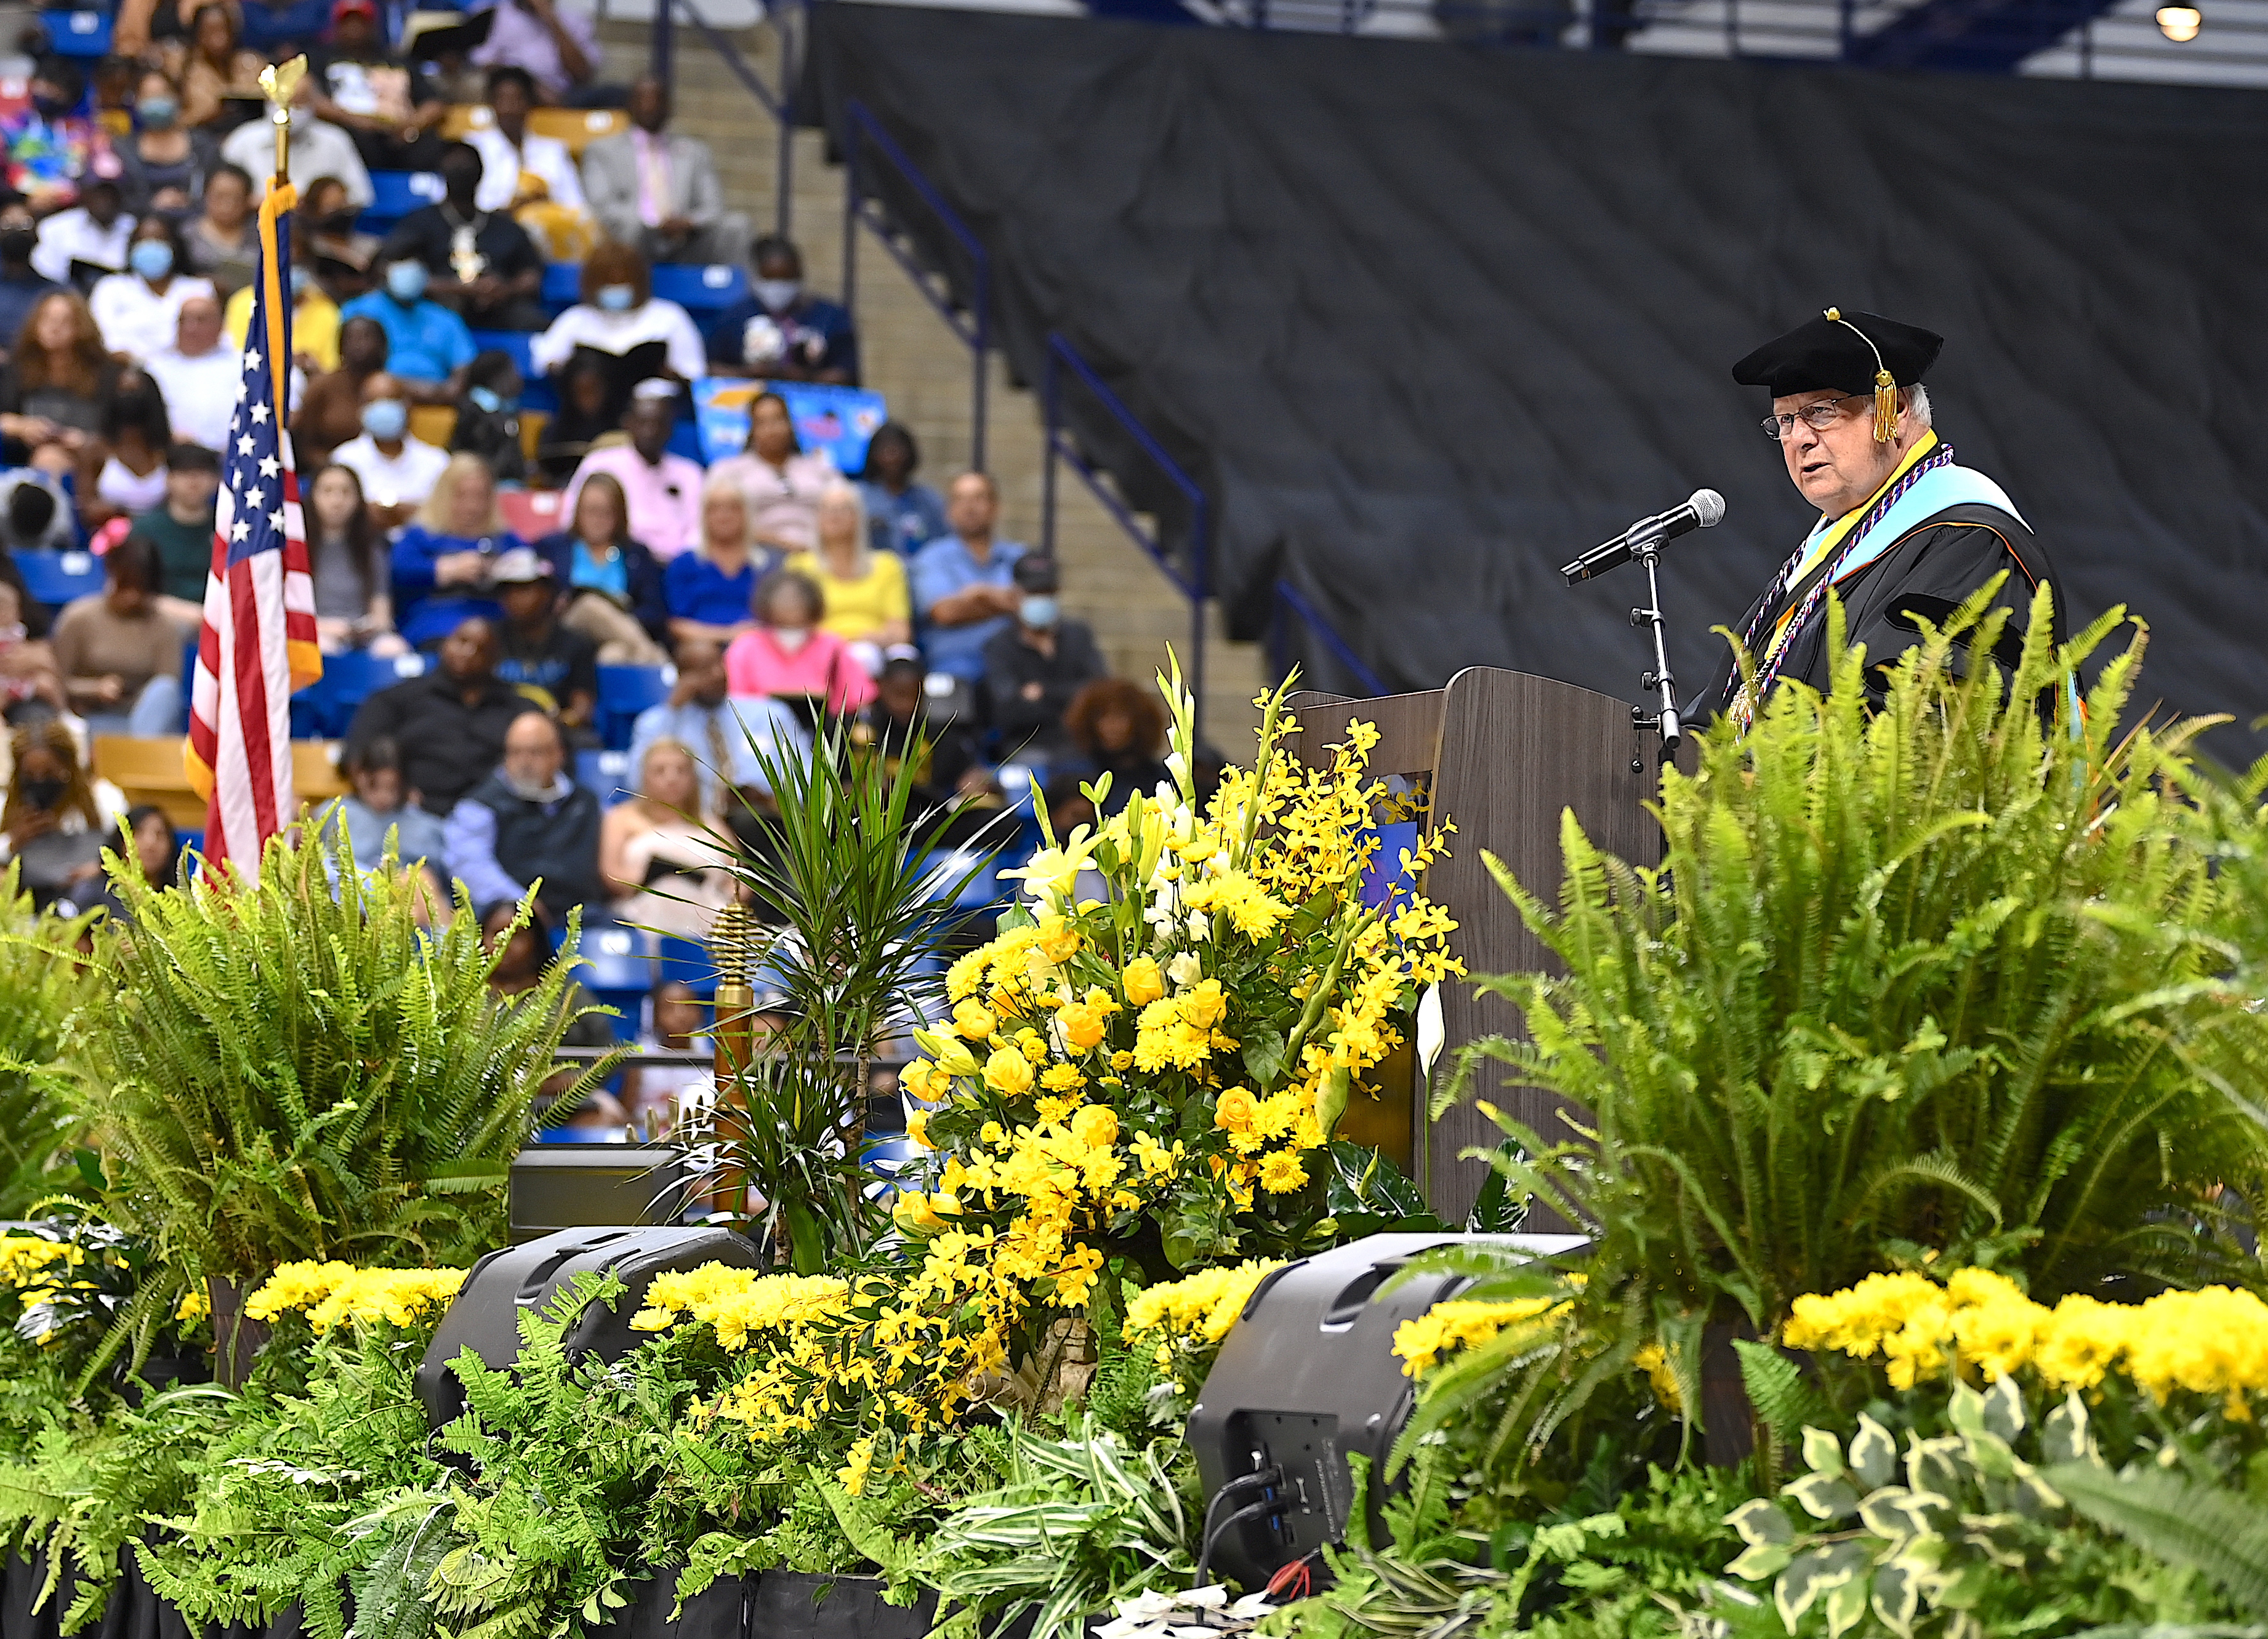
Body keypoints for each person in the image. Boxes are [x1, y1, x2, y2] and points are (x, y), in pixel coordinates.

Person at [1697, 308, 2064, 728]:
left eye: (1821, 411)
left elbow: (1908, 738)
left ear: (1898, 409)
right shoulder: (1824, 554)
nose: (1799, 438)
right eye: (1785, 420)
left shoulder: (1968, 542)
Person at [344, 614, 526, 812]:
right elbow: (356, 752)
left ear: (495, 660)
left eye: (481, 649)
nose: (468, 652)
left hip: (492, 814)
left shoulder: (516, 708)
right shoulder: (400, 698)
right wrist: (387, 793)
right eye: (462, 642)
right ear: (445, 644)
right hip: (414, 811)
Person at [628, 636, 810, 820]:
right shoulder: (657, 722)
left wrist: (776, 801)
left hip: (772, 820)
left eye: (720, 665)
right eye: (704, 669)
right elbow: (635, 782)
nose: (718, 674)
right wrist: (673, 711)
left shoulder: (769, 713)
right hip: (697, 822)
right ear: (682, 677)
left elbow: (807, 774)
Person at [445, 708, 604, 918]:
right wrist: (521, 902)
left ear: (559, 755)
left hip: (583, 913)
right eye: (515, 752)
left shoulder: (586, 802)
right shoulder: (480, 805)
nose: (525, 762)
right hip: (513, 917)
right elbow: (470, 867)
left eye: (535, 752)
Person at [529, 241, 704, 425]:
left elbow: (693, 373)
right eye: (608, 283)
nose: (616, 288)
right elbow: (546, 361)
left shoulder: (669, 318)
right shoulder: (575, 320)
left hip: (650, 415)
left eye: (623, 282)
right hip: (591, 417)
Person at [377, 143, 546, 333]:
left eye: (467, 167)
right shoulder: (419, 223)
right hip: (440, 306)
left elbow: (531, 275)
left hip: (498, 306)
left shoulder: (506, 227)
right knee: (444, 315)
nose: (461, 172)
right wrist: (459, 289)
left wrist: (504, 289)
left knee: (532, 321)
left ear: (480, 174)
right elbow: (391, 270)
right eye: (455, 166)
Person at [578, 76, 745, 266]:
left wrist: (688, 222)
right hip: (634, 236)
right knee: (630, 226)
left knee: (737, 226)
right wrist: (652, 224)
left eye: (657, 99)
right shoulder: (603, 151)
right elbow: (602, 205)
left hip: (686, 237)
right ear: (630, 106)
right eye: (643, 99)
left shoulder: (695, 152)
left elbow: (714, 207)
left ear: (668, 107)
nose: (650, 106)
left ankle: (732, 294)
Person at [598, 736, 734, 940]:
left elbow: (740, 876)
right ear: (645, 776)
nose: (672, 778)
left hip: (711, 914)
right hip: (644, 911)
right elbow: (611, 873)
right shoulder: (621, 819)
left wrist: (728, 902)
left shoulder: (711, 823)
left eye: (681, 770)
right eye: (660, 771)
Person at [50, 534, 185, 735]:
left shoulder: (164, 626)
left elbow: (167, 688)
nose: (132, 597)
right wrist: (96, 689)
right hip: (91, 718)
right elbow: (56, 680)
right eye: (125, 587)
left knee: (165, 690)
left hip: (146, 720)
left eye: (140, 589)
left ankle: (139, 751)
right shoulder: (79, 618)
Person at [534, 469, 667, 663]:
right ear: (578, 511)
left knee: (614, 656)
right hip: (569, 629)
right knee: (589, 605)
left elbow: (654, 611)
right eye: (591, 511)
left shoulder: (636, 554)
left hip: (615, 637)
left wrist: (617, 616)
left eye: (606, 512)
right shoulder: (552, 548)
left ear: (619, 515)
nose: (598, 520)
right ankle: (658, 662)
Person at [560, 379, 702, 559]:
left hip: (674, 567)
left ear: (671, 428)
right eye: (644, 423)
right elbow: (570, 517)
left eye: (658, 423)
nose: (651, 432)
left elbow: (699, 530)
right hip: (618, 562)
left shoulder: (689, 474)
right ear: (628, 424)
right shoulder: (600, 464)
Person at [983, 553, 1103, 767]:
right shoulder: (999, 646)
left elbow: (1098, 695)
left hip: (1079, 748)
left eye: (1047, 592)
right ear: (1015, 594)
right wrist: (1070, 702)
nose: (1041, 599)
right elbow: (1008, 712)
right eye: (1033, 593)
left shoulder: (1079, 636)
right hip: (1025, 748)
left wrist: (1043, 693)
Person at [909, 471, 1027, 684]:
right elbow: (945, 613)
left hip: (1015, 661)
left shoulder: (1019, 556)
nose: (969, 507)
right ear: (948, 512)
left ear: (996, 508)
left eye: (978, 498)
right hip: (956, 662)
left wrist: (979, 594)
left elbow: (1032, 608)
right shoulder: (932, 558)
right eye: (960, 499)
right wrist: (1005, 602)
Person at [465, 65, 590, 262]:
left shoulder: (553, 150)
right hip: (491, 235)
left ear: (530, 105)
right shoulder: (474, 147)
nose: (510, 109)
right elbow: (471, 207)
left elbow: (576, 204)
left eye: (518, 100)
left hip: (549, 235)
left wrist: (542, 200)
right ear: (491, 105)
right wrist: (514, 208)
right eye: (503, 100)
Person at [390, 451, 515, 646]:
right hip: (434, 624)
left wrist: (500, 570)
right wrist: (446, 570)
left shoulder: (505, 539)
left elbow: (532, 566)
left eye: (480, 496)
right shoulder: (421, 535)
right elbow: (398, 571)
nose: (472, 507)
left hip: (495, 625)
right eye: (462, 496)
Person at [0, 719, 127, 909]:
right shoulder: (4, 805)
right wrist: (13, 842)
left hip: (90, 904)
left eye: (49, 772)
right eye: (31, 775)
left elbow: (130, 852)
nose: (40, 781)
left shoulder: (106, 799)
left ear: (69, 766)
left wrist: (101, 868)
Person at [306, 0, 446, 171]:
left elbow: (434, 103)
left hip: (401, 133)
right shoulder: (321, 59)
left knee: (432, 143)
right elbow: (314, 100)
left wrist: (412, 126)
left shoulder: (397, 60)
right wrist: (357, 121)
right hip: (351, 131)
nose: (354, 28)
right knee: (346, 139)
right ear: (337, 26)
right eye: (348, 22)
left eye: (361, 21)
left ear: (373, 25)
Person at [787, 479, 908, 674]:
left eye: (844, 509)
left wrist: (873, 640)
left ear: (859, 517)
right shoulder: (799, 566)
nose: (835, 516)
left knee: (903, 658)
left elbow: (901, 632)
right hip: (819, 652)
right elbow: (795, 627)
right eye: (827, 509)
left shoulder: (887, 565)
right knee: (860, 655)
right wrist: (853, 639)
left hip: (877, 650)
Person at [704, 234, 857, 385]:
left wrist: (805, 377)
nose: (778, 287)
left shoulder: (831, 317)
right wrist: (748, 374)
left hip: (812, 403)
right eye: (769, 278)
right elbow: (711, 367)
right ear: (756, 277)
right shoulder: (735, 316)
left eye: (786, 278)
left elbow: (845, 373)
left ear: (800, 275)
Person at [722, 569, 874, 717]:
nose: (790, 605)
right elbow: (735, 700)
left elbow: (858, 698)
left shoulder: (832, 645)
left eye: (796, 598)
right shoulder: (745, 646)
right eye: (783, 598)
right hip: (760, 730)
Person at [0, 291, 123, 473]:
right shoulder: (17, 369)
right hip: (29, 456)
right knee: (48, 457)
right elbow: (4, 417)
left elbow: (121, 431)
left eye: (64, 322)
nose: (54, 328)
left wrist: (85, 442)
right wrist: (23, 427)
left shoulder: (106, 374)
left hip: (97, 460)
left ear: (81, 328)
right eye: (47, 320)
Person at [707, 390, 831, 554]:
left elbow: (848, 515)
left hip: (820, 554)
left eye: (778, 420)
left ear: (791, 425)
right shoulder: (727, 472)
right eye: (762, 423)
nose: (771, 430)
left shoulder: (821, 470)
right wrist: (782, 544)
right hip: (756, 555)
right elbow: (716, 523)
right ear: (751, 430)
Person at [489, 548, 597, 729]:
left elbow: (582, 709)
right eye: (507, 592)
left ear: (547, 593)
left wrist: (547, 727)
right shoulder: (490, 639)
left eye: (524, 589)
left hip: (555, 732)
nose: (514, 598)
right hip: (497, 730)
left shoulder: (576, 644)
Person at [664, 473, 773, 647]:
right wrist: (727, 635)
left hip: (755, 649)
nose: (724, 516)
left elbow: (777, 621)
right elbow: (676, 625)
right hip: (700, 648)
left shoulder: (766, 566)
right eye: (715, 509)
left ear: (747, 514)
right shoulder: (684, 563)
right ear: (704, 516)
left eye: (733, 508)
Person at [89, 214, 215, 364]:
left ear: (174, 246)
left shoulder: (200, 289)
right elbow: (104, 338)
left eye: (159, 240)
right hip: (127, 372)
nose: (151, 246)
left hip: (192, 368)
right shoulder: (110, 288)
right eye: (144, 241)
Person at [219, 87, 372, 208]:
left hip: (317, 234)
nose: (288, 110)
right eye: (281, 101)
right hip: (254, 230)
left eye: (297, 103)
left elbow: (361, 197)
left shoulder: (336, 140)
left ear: (312, 104)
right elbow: (219, 193)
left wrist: (326, 203)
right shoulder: (243, 139)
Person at [331, 371, 449, 526]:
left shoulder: (437, 462)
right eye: (375, 402)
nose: (383, 408)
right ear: (362, 408)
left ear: (407, 406)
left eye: (391, 400)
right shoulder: (344, 459)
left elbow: (447, 516)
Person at [305, 461, 401, 652]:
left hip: (362, 633)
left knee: (393, 649)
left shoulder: (372, 547)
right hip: (316, 631)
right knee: (325, 648)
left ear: (359, 500)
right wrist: (327, 627)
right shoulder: (298, 547)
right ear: (313, 497)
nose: (337, 501)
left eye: (346, 492)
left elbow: (382, 611)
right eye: (328, 491)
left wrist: (365, 628)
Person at [324, 732, 447, 873]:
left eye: (392, 788)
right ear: (359, 776)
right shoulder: (336, 814)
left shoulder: (423, 826)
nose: (383, 797)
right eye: (374, 785)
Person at [140, 291, 238, 451]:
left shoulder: (242, 364)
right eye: (184, 320)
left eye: (201, 320)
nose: (190, 328)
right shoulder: (154, 369)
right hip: (175, 457)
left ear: (221, 325)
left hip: (237, 457)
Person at [113, 68, 219, 215]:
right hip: (142, 225)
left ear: (177, 97)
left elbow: (217, 191)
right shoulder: (122, 149)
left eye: (162, 94)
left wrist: (188, 202)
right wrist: (151, 205)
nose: (156, 101)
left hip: (196, 225)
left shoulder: (203, 145)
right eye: (148, 96)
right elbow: (119, 199)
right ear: (137, 102)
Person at [129, 441, 220, 609]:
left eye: (201, 473)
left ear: (216, 480)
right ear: (169, 479)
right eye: (184, 473)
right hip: (162, 617)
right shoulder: (146, 529)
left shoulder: (228, 527)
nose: (194, 482)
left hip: (221, 615)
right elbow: (134, 589)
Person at [1063, 677, 1170, 817]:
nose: (1111, 726)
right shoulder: (1074, 777)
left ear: (1140, 722)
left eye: (1120, 716)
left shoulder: (1160, 779)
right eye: (1101, 717)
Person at [292, 311, 387, 465]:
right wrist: (336, 470)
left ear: (383, 346)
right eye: (353, 338)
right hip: (331, 471)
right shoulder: (321, 386)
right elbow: (305, 444)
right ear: (340, 346)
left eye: (367, 337)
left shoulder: (391, 387)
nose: (360, 345)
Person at [470, 0, 603, 106]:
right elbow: (483, 60)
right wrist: (529, 84)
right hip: (512, 83)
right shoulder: (500, 14)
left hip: (562, 93)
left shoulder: (575, 19)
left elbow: (582, 73)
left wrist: (549, 17)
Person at [225, 257, 341, 374]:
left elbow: (330, 368)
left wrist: (310, 365)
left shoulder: (326, 310)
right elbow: (237, 353)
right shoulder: (243, 303)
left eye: (296, 265)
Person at [87, 371, 173, 526]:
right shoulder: (95, 450)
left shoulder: (170, 451)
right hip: (111, 538)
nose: (129, 399)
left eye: (136, 393)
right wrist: (125, 514)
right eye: (124, 392)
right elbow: (88, 509)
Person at [858, 421, 945, 559]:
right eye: (885, 451)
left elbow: (944, 544)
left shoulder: (929, 500)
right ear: (873, 455)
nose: (893, 458)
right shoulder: (858, 497)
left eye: (898, 450)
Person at [174, 3, 265, 132]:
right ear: (198, 34)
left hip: (247, 133)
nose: (219, 39)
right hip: (202, 134)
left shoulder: (252, 63)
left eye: (223, 30)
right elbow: (184, 118)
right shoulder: (185, 69)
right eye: (210, 32)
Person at [30, 178, 134, 289]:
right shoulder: (55, 227)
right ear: (86, 197)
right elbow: (46, 270)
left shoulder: (132, 227)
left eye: (110, 196)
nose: (105, 202)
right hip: (65, 292)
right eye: (99, 195)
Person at [449, 347, 526, 487]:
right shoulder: (472, 412)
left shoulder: (509, 411)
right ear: (497, 377)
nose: (518, 377)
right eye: (513, 372)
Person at [89, 802, 179, 920]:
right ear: (121, 842)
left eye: (160, 834)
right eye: (138, 833)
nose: (150, 843)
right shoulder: (93, 895)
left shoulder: (182, 900)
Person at [0, 204, 66, 361]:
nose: (16, 231)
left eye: (25, 225)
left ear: (36, 237)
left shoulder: (56, 292)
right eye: (7, 224)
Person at [182, 161, 255, 300]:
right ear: (205, 194)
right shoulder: (186, 235)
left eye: (235, 198)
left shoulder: (261, 234)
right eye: (219, 197)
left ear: (248, 199)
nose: (227, 206)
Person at [0, 580, 68, 715]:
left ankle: (65, 717)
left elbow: (47, 659)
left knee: (47, 684)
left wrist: (33, 662)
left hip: (22, 681)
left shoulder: (19, 631)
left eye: (9, 609)